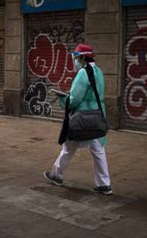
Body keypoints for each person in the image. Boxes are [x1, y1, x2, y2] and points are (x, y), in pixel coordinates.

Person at [44, 44, 112, 195]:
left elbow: (75, 99)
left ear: (82, 57)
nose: (74, 60)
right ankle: (104, 184)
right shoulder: (99, 71)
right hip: (97, 116)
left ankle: (57, 175)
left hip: (82, 118)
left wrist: (63, 99)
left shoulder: (83, 73)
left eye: (75, 57)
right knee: (98, 150)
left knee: (68, 147)